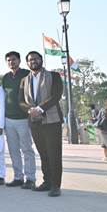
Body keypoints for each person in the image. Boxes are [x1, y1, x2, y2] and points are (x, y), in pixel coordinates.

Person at [19, 51, 64, 197]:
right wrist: (30, 110)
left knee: (54, 154)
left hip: (52, 121)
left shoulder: (54, 76)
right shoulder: (24, 80)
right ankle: (47, 182)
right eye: (30, 60)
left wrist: (40, 108)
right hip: (35, 122)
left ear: (41, 60)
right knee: (44, 154)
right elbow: (21, 101)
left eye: (36, 59)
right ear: (27, 63)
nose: (33, 61)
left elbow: (56, 95)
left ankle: (56, 186)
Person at [1, 51, 36, 189]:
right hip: (9, 119)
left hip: (23, 118)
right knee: (13, 150)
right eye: (9, 60)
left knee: (27, 149)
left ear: (20, 61)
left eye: (14, 60)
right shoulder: (5, 78)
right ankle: (18, 177)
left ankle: (31, 178)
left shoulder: (27, 74)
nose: (11, 62)